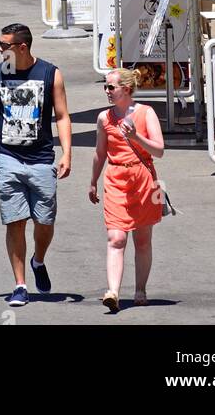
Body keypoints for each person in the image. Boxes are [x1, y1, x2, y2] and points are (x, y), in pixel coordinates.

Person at [0, 22, 73, 308]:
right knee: (15, 221)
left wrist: (67, 153)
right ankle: (20, 285)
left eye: (4, 46)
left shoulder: (49, 74)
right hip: (7, 157)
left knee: (44, 221)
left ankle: (38, 259)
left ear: (22, 47)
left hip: (42, 159)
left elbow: (62, 116)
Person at [89, 67, 165, 312]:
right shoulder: (104, 118)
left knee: (142, 240)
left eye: (111, 87)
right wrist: (92, 181)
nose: (107, 91)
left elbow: (159, 150)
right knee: (117, 237)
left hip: (143, 180)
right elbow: (100, 153)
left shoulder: (146, 113)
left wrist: (135, 138)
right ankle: (113, 292)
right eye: (106, 87)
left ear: (127, 89)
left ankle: (140, 289)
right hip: (116, 179)